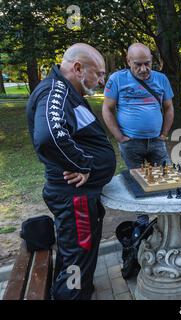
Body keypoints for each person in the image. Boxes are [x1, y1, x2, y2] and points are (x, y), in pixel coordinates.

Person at [26, 43, 117, 299]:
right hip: (73, 197)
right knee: (77, 257)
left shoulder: (68, 91)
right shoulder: (55, 92)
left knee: (80, 255)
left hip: (79, 198)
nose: (101, 80)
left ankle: (79, 290)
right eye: (98, 73)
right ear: (78, 68)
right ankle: (72, 294)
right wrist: (82, 165)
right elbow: (47, 136)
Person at [102, 43, 174, 169]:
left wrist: (164, 134)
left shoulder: (161, 79)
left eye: (147, 63)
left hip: (156, 141)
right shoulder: (117, 79)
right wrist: (118, 136)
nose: (143, 69)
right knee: (136, 181)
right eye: (138, 64)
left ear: (152, 60)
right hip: (130, 142)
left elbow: (169, 108)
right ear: (129, 61)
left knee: (165, 176)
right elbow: (107, 108)